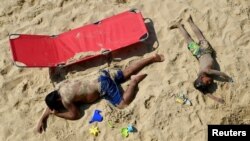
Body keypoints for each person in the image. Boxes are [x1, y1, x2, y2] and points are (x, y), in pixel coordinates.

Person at [36, 53, 164, 133]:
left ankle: (134, 82)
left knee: (122, 104)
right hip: (101, 74)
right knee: (125, 73)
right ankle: (152, 58)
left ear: (58, 102)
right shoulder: (60, 86)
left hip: (103, 86)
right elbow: (50, 103)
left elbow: (75, 115)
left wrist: (57, 114)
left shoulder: (66, 100)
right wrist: (42, 118)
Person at [170, 16, 232, 103]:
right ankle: (180, 25)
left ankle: (190, 22)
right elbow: (204, 92)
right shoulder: (202, 78)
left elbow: (222, 73)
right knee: (189, 39)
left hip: (203, 51)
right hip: (199, 54)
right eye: (208, 84)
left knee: (198, 36)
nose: (210, 83)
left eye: (207, 83)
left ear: (202, 78)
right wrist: (216, 99)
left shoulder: (208, 71)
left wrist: (229, 79)